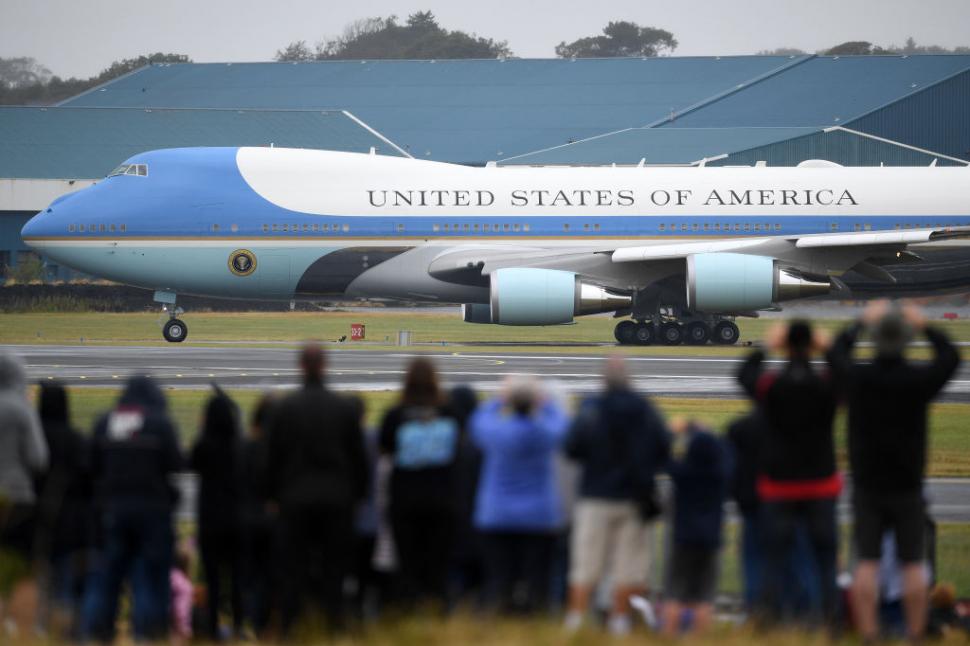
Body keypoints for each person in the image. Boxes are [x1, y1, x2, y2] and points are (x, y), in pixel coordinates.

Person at [828, 300, 959, 642]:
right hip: (907, 485)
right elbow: (950, 358)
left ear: (875, 339)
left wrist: (859, 322)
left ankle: (869, 633)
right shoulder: (917, 380)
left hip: (868, 485)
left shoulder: (859, 379)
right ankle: (915, 633)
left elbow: (835, 355)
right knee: (913, 564)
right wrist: (925, 325)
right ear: (906, 340)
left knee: (867, 563)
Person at [738, 320, 840, 628]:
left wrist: (766, 346)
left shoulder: (773, 386)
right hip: (821, 485)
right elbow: (848, 375)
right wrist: (830, 349)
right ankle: (828, 625)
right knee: (824, 560)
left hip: (779, 485)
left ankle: (768, 622)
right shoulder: (825, 385)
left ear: (783, 345)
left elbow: (745, 376)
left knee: (773, 558)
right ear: (813, 345)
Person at [266, 343, 369, 634]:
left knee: (292, 572)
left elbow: (270, 460)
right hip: (337, 502)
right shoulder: (344, 408)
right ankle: (333, 631)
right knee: (334, 573)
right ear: (325, 366)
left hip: (294, 502)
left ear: (300, 366)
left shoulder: (285, 408)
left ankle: (290, 630)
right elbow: (359, 462)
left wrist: (272, 497)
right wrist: (358, 497)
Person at [563, 356, 669, 635]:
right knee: (627, 566)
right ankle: (620, 620)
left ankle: (575, 619)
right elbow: (664, 448)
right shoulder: (645, 410)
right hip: (632, 498)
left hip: (596, 495)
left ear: (602, 381)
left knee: (586, 563)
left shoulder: (591, 408)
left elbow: (571, 448)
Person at [83, 376, 183, 642]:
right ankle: (147, 634)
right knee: (149, 579)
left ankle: (95, 633)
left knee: (105, 578)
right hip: (152, 512)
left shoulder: (105, 422)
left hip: (111, 512)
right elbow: (175, 463)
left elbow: (89, 467)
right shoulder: (159, 424)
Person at [469, 376, 570, 615]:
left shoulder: (495, 433)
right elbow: (563, 422)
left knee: (498, 582)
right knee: (539, 585)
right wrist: (543, 400)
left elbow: (477, 420)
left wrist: (499, 398)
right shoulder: (545, 435)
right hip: (538, 518)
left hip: (498, 516)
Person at [379, 358, 462, 610]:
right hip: (442, 499)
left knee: (407, 566)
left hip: (406, 499)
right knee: (438, 568)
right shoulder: (450, 413)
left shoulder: (396, 415)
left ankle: (408, 620)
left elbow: (385, 449)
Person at [661, 420, 731, 638]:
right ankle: (702, 640)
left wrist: (671, 433)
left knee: (674, 594)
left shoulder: (683, 475)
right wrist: (707, 433)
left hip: (683, 538)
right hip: (711, 539)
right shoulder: (720, 476)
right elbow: (728, 455)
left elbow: (661, 455)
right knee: (705, 598)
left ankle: (668, 637)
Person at [35, 382, 91, 639]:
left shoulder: (35, 435)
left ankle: (38, 630)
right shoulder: (75, 439)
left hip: (36, 520)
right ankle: (68, 632)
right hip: (70, 524)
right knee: (67, 582)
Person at [0, 352, 48, 636]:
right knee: (22, 560)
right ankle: (23, 624)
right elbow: (38, 457)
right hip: (17, 495)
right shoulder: (21, 408)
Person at [190, 391, 244, 640]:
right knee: (236, 578)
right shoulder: (240, 446)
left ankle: (211, 628)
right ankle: (239, 626)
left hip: (210, 521)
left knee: (211, 579)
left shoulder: (204, 445)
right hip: (236, 520)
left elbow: (189, 461)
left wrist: (203, 430)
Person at [239, 394, 276, 635]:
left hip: (247, 519)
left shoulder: (245, 447)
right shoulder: (282, 449)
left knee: (250, 575)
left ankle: (250, 621)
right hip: (272, 520)